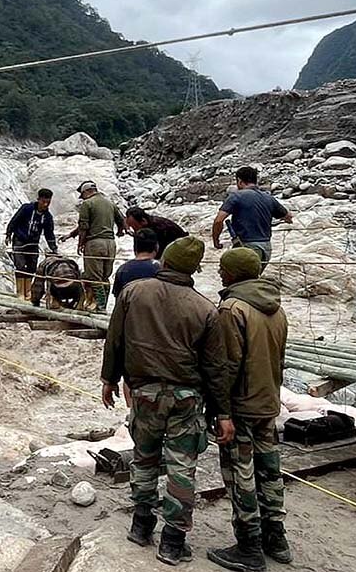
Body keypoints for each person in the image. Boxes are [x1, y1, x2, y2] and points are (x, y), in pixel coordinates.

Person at [101, 237, 234, 566]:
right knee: (181, 469)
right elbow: (215, 369)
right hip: (186, 400)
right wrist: (222, 413)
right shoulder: (205, 309)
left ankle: (141, 525)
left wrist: (109, 378)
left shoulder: (133, 292)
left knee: (144, 459)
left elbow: (115, 337)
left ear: (165, 261)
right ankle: (173, 542)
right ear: (194, 269)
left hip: (144, 395)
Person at [208, 248, 291, 571]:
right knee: (269, 470)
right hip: (267, 400)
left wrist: (222, 412)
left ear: (232, 274)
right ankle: (277, 538)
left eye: (223, 270)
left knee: (240, 473)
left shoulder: (232, 309)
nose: (219, 275)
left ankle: (248, 546)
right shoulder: (276, 308)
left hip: (240, 405)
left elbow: (226, 366)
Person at [62, 181, 124, 312]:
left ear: (86, 192)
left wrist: (81, 243)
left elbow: (84, 226)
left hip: (95, 244)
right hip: (111, 244)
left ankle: (100, 306)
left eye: (82, 195)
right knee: (105, 277)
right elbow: (121, 220)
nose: (82, 198)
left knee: (94, 277)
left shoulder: (87, 204)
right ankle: (104, 305)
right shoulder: (109, 203)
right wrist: (119, 231)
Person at [212, 167, 291, 266]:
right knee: (254, 278)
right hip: (266, 248)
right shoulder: (269, 198)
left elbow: (218, 221)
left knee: (238, 279)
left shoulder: (236, 197)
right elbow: (288, 217)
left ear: (240, 181)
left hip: (246, 248)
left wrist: (216, 241)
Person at [4, 188, 59, 300]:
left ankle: (28, 292)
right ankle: (20, 292)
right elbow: (14, 221)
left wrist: (53, 248)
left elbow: (49, 233)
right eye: (43, 201)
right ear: (38, 199)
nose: (45, 204)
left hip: (33, 243)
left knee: (31, 266)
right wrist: (9, 233)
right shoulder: (26, 209)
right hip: (20, 240)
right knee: (20, 265)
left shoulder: (47, 217)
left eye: (48, 202)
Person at [112, 229, 161, 298]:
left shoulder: (122, 270)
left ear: (134, 247)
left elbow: (118, 299)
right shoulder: (161, 269)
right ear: (157, 247)